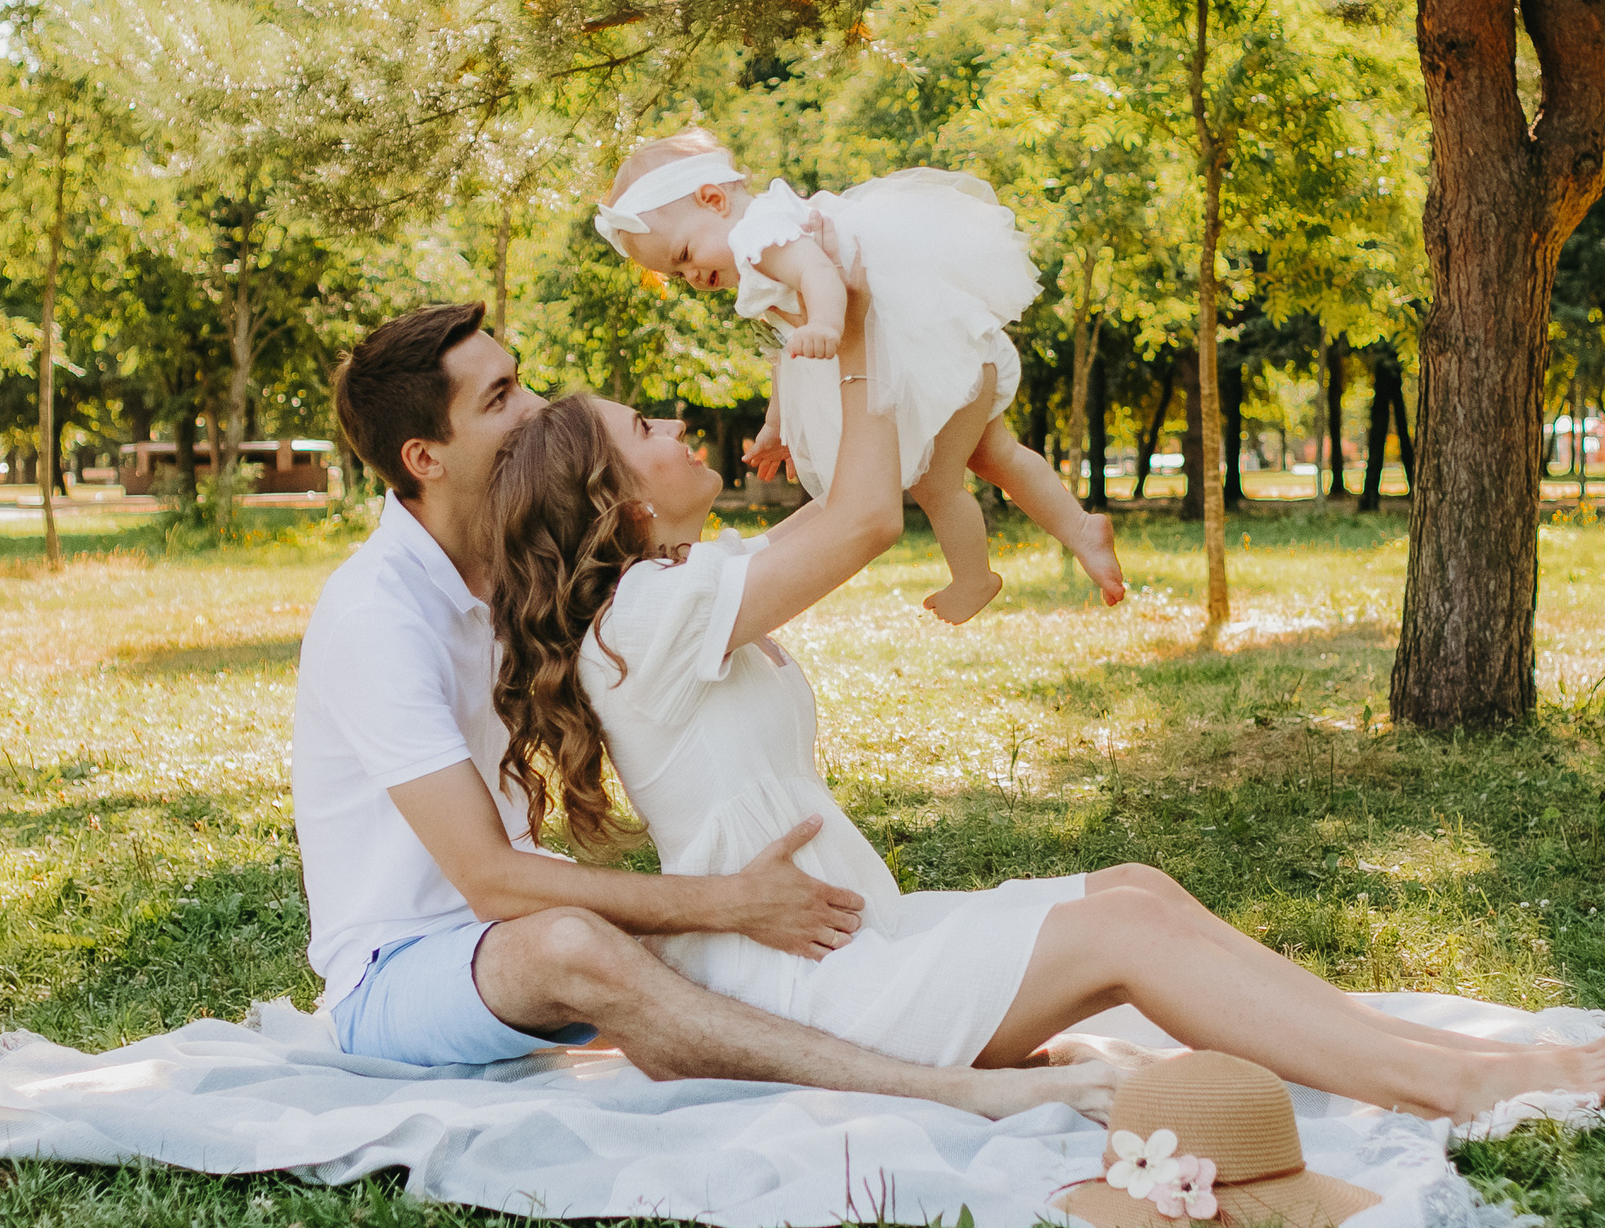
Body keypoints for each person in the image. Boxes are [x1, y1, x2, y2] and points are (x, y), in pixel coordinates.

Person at [485, 284, 1605, 1124]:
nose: (677, 427)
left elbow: (845, 497)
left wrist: (840, 340)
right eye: (646, 430)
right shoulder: (641, 617)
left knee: (1132, 889)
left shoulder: (679, 591)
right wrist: (848, 335)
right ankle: (1458, 1086)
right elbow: (864, 521)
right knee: (1123, 933)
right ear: (619, 504)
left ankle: (1416, 1047)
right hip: (807, 982)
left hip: (846, 935)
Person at [291, 300, 1117, 1121]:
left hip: (522, 930)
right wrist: (725, 900)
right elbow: (490, 878)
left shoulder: (532, 570)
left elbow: (816, 536)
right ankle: (952, 1092)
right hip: (401, 970)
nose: (539, 409)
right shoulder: (378, 613)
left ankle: (956, 1031)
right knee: (577, 946)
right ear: (424, 457)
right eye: (500, 396)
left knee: (717, 958)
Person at [592, 127, 1125, 622]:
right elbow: (785, 354)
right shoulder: (755, 247)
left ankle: (974, 577)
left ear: (715, 199)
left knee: (938, 482)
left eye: (684, 254)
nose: (691, 275)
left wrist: (827, 321)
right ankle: (1080, 528)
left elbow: (822, 273)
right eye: (676, 273)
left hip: (925, 360)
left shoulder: (762, 234)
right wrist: (778, 425)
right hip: (941, 355)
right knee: (996, 454)